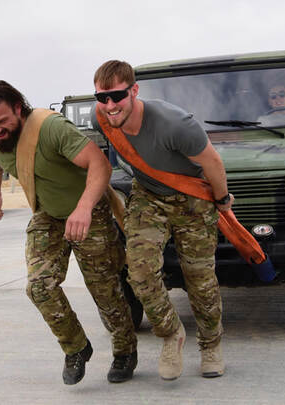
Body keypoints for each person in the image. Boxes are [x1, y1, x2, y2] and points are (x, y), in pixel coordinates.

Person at [0, 80, 137, 385]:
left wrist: (84, 208)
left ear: (18, 108)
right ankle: (76, 347)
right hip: (48, 213)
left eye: (2, 121)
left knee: (105, 290)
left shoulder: (50, 129)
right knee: (39, 287)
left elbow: (100, 165)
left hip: (89, 211)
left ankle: (125, 351)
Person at [92, 60, 231, 380]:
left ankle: (211, 346)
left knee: (200, 279)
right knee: (139, 272)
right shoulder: (103, 118)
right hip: (149, 195)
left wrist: (222, 201)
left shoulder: (175, 124)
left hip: (192, 199)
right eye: (102, 98)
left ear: (134, 91)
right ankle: (171, 334)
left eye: (117, 96)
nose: (110, 105)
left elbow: (213, 163)